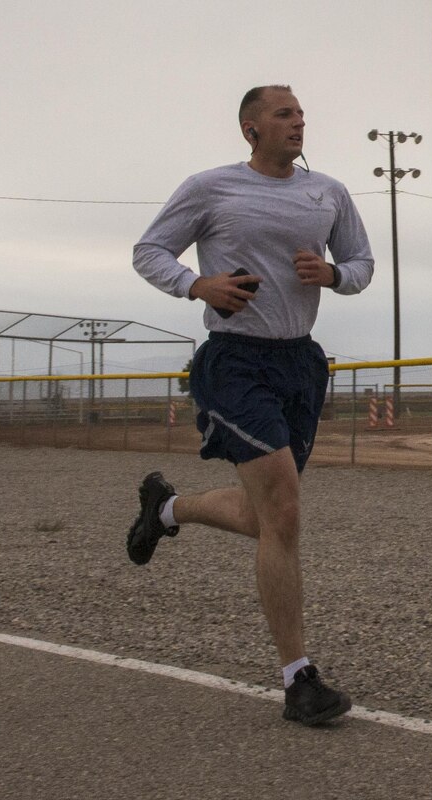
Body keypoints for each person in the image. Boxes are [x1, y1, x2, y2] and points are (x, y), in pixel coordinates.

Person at [126, 84, 374, 727]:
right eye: (284, 113)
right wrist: (195, 283)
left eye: (301, 113)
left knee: (272, 516)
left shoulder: (329, 193)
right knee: (284, 512)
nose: (298, 122)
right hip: (235, 359)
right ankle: (300, 681)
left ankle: (168, 507)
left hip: (300, 362)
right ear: (250, 128)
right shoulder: (211, 187)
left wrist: (335, 276)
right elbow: (149, 250)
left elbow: (362, 261)